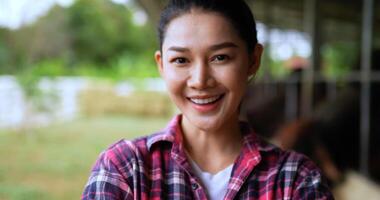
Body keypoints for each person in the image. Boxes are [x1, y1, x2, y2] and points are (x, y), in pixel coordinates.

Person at [82, 0, 334, 199]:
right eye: (181, 60)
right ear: (161, 65)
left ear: (253, 60)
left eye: (220, 57)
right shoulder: (126, 170)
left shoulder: (295, 179)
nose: (200, 80)